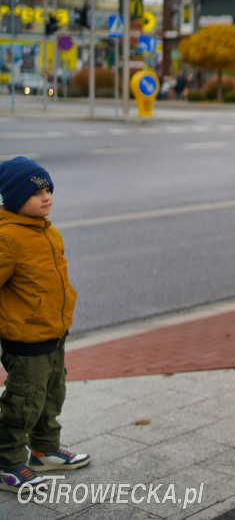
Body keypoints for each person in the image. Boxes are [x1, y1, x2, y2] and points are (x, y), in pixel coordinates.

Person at [0, 157, 91, 495]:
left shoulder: (48, 230)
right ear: (14, 198)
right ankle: (7, 463)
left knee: (52, 396)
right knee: (23, 404)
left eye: (48, 190)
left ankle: (44, 450)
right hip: (26, 340)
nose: (46, 197)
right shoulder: (7, 238)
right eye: (36, 192)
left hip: (54, 334)